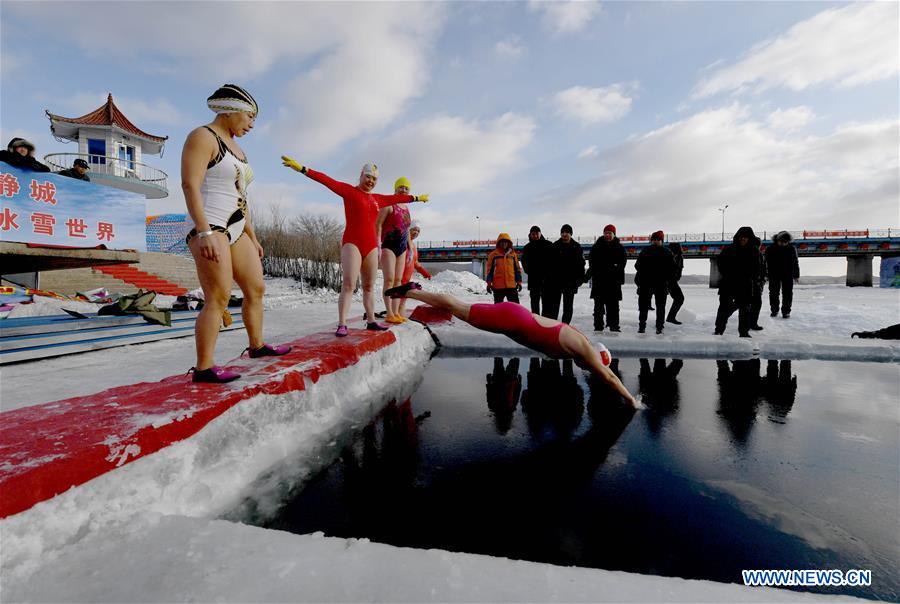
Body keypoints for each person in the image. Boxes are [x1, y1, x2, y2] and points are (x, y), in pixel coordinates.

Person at [182, 84, 291, 383]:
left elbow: (241, 196)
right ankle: (204, 367)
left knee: (256, 289)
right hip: (211, 224)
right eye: (249, 116)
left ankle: (256, 346)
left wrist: (253, 236)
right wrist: (203, 231)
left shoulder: (239, 149)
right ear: (231, 109)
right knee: (217, 297)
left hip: (238, 227)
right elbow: (190, 184)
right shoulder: (203, 136)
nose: (252, 124)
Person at [384, 282, 640, 408]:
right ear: (597, 357)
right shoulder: (584, 349)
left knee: (460, 308)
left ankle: (415, 292)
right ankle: (412, 291)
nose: (589, 369)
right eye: (593, 365)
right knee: (458, 308)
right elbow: (608, 377)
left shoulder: (579, 344)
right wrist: (631, 400)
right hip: (511, 320)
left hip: (515, 316)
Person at [281, 156, 429, 337]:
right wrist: (303, 169)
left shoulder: (378, 199)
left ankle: (372, 321)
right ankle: (342, 324)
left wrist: (416, 198)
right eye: (368, 177)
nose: (370, 181)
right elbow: (326, 180)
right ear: (361, 176)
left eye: (374, 179)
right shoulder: (349, 191)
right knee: (349, 284)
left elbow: (397, 197)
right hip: (352, 243)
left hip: (371, 246)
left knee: (369, 286)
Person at [376, 176, 413, 324]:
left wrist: (410, 247)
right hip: (388, 245)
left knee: (398, 281)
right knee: (389, 279)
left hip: (402, 247)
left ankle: (396, 312)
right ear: (395, 188)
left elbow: (407, 229)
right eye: (401, 187)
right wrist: (378, 243)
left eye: (406, 188)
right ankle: (389, 313)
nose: (403, 190)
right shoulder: (389, 204)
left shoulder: (407, 208)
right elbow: (378, 224)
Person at [714, 226, 760, 338]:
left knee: (745, 310)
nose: (743, 239)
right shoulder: (729, 248)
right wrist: (728, 274)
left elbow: (757, 268)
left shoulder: (754, 251)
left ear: (750, 238)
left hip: (745, 285)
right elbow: (720, 263)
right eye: (741, 237)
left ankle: (744, 333)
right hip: (728, 284)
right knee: (724, 308)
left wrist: (753, 279)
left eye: (746, 237)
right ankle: (719, 331)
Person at [586, 224, 626, 332]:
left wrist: (615, 271)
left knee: (613, 307)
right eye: (606, 233)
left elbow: (622, 264)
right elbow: (591, 262)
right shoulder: (596, 246)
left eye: (610, 233)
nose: (608, 235)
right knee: (598, 307)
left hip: (613, 282)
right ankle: (598, 327)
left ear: (614, 234)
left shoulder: (619, 247)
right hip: (599, 282)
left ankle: (614, 326)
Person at [635, 231, 675, 334]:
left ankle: (659, 327)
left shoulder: (667, 252)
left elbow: (672, 269)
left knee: (660, 307)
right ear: (652, 240)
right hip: (646, 283)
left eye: (658, 239)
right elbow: (637, 266)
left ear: (661, 240)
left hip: (660, 284)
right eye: (654, 239)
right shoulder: (646, 251)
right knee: (644, 307)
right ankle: (642, 326)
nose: (656, 241)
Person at [544, 224, 585, 324]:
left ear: (571, 234)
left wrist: (580, 279)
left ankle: (565, 326)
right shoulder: (555, 246)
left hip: (570, 283)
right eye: (562, 232)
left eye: (567, 232)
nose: (564, 234)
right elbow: (549, 264)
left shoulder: (577, 247)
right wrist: (549, 279)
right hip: (556, 282)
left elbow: (581, 265)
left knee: (568, 306)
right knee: (554, 306)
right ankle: (553, 326)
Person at [395, 220, 431, 319]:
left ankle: (400, 320)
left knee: (402, 301)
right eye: (414, 230)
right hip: (398, 278)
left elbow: (415, 263)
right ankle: (395, 318)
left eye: (418, 231)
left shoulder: (413, 246)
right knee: (398, 300)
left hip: (406, 279)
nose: (416, 233)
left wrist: (425, 273)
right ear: (408, 229)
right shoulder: (400, 241)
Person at [765, 230, 800, 318]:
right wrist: (766, 274)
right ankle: (774, 310)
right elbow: (766, 263)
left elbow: (795, 262)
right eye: (782, 241)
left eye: (786, 242)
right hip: (773, 274)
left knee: (787, 293)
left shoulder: (792, 248)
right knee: (773, 293)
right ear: (777, 240)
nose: (783, 243)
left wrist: (796, 275)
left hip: (788, 274)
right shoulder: (770, 249)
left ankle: (786, 311)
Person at [521, 225, 553, 315]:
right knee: (534, 303)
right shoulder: (527, 248)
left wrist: (550, 273)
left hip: (546, 280)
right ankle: (535, 321)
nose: (535, 236)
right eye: (533, 234)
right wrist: (529, 271)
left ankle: (545, 322)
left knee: (546, 303)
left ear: (540, 233)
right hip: (534, 280)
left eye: (537, 234)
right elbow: (524, 262)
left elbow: (554, 260)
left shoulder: (549, 245)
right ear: (530, 235)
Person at [485, 232, 522, 303]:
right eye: (502, 242)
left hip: (511, 286)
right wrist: (489, 284)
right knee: (498, 309)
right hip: (498, 287)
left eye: (506, 242)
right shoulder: (493, 255)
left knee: (515, 307)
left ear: (509, 243)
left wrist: (519, 282)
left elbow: (517, 269)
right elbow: (490, 271)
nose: (504, 244)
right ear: (498, 243)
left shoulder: (513, 255)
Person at [749, 236, 766, 330]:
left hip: (756, 283)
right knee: (755, 304)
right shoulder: (757, 253)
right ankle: (752, 323)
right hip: (754, 283)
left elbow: (762, 269)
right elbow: (760, 270)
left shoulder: (759, 254)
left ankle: (751, 323)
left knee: (748, 304)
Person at [666, 242, 685, 325]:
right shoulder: (671, 257)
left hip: (672, 281)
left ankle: (670, 317)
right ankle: (670, 317)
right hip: (670, 281)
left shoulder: (678, 257)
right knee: (679, 298)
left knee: (679, 299)